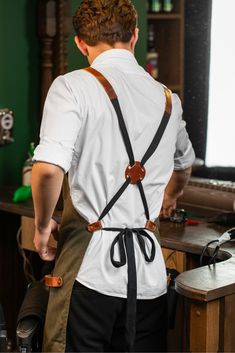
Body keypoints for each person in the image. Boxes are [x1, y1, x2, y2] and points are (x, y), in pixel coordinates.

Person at [32, 0, 195, 352]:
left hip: (91, 273)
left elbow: (46, 171)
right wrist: (169, 197)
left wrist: (43, 226)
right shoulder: (168, 99)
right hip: (150, 276)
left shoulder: (72, 86)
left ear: (80, 43)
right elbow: (184, 165)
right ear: (135, 36)